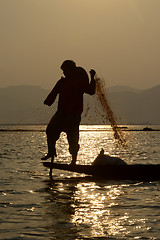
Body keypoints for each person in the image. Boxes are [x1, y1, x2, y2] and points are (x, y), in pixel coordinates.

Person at [41, 60, 96, 165]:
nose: (64, 73)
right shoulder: (62, 82)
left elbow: (91, 91)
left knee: (73, 139)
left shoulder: (80, 82)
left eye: (65, 70)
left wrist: (92, 77)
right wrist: (48, 101)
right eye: (63, 71)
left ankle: (74, 161)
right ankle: (51, 152)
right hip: (61, 114)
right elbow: (54, 93)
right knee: (50, 131)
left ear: (72, 70)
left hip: (73, 116)